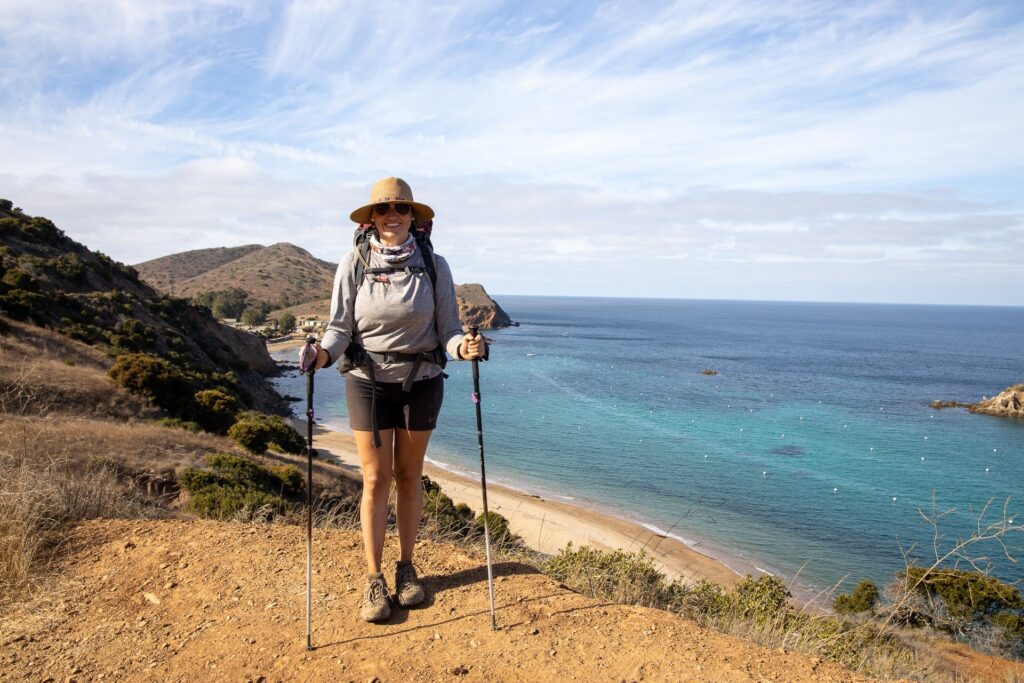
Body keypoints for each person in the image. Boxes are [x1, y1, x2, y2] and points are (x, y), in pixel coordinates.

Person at [307, 177, 485, 622]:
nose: (392, 216)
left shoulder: (435, 264)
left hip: (422, 379)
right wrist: (322, 353)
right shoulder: (353, 262)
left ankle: (406, 569)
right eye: (384, 209)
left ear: (413, 217)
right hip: (366, 380)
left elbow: (447, 330)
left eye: (401, 210)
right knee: (375, 479)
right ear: (372, 218)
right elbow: (339, 326)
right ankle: (373, 579)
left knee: (409, 476)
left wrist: (464, 348)